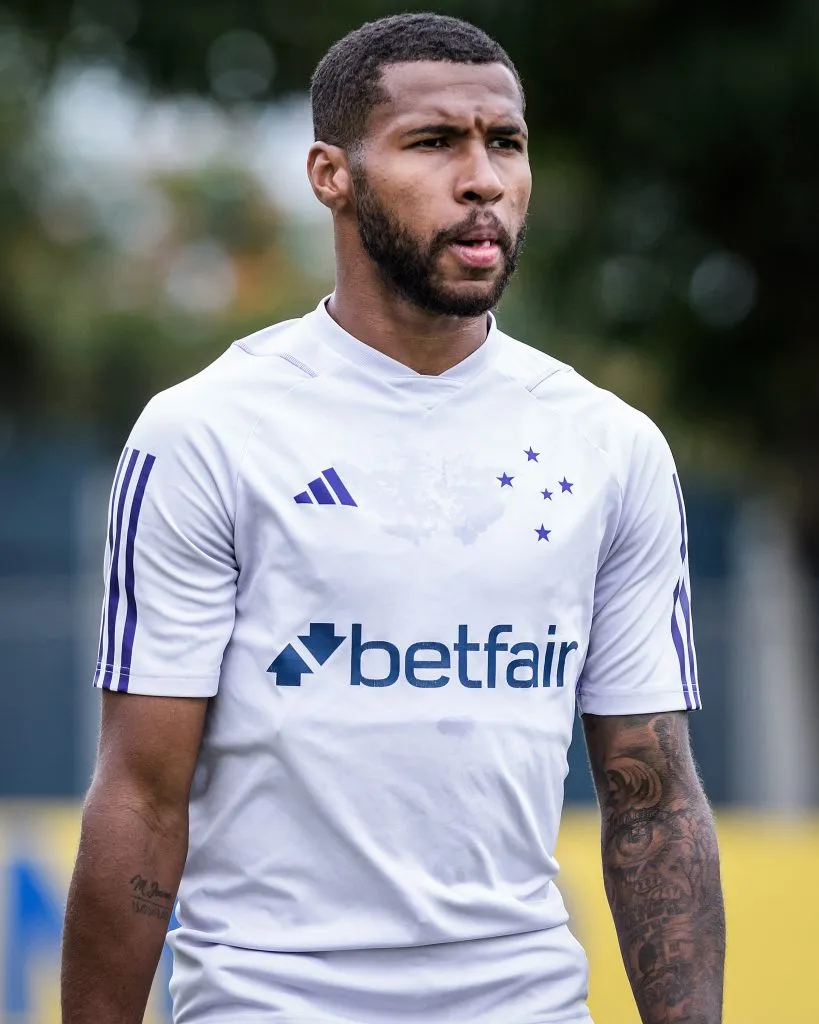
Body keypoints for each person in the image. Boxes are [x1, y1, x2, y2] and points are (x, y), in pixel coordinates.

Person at [61, 12, 725, 1024]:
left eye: (506, 142)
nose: (483, 179)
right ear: (331, 174)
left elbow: (654, 796)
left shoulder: (610, 445)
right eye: (433, 142)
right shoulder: (207, 433)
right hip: (269, 1001)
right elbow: (142, 795)